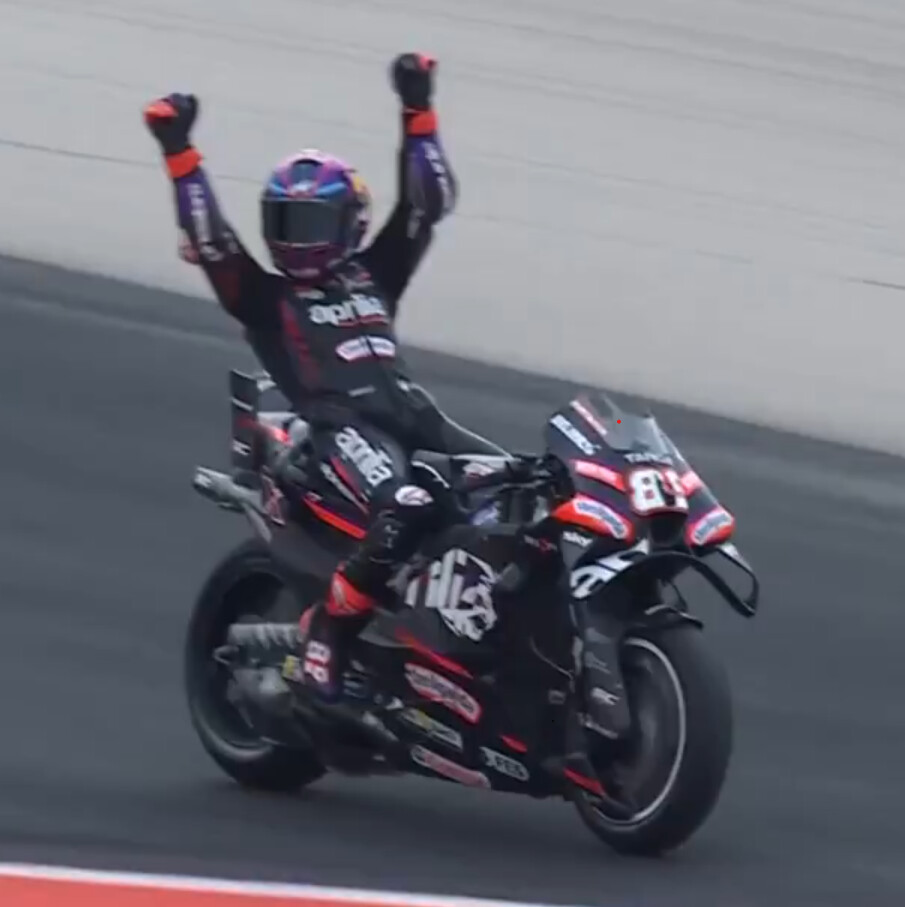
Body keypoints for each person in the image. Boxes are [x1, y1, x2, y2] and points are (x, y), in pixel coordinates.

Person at [143, 52, 505, 724]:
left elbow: (428, 202)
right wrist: (179, 152)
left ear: (348, 226)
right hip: (341, 430)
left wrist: (417, 107)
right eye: (282, 224)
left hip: (413, 415)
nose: (294, 242)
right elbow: (211, 240)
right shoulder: (264, 298)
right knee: (407, 505)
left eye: (308, 225)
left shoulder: (376, 271)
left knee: (520, 485)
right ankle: (327, 639)